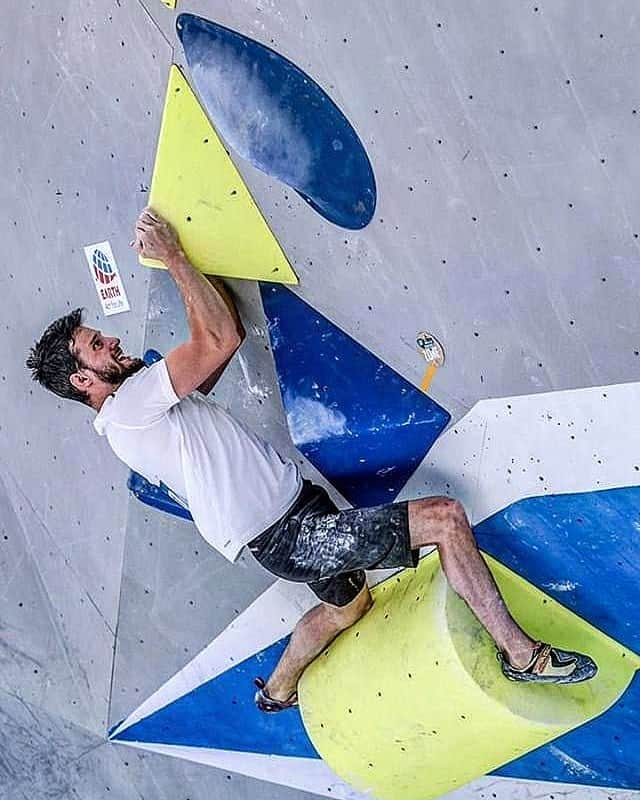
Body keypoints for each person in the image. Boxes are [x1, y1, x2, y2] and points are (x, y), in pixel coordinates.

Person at [26, 207, 597, 713]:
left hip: (295, 513)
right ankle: (521, 655)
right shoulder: (127, 406)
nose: (113, 344)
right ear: (83, 380)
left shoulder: (136, 407)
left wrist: (203, 273)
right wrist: (174, 255)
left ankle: (276, 690)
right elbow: (219, 339)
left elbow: (213, 341)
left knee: (349, 608)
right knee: (445, 518)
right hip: (290, 535)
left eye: (102, 336)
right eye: (99, 348)